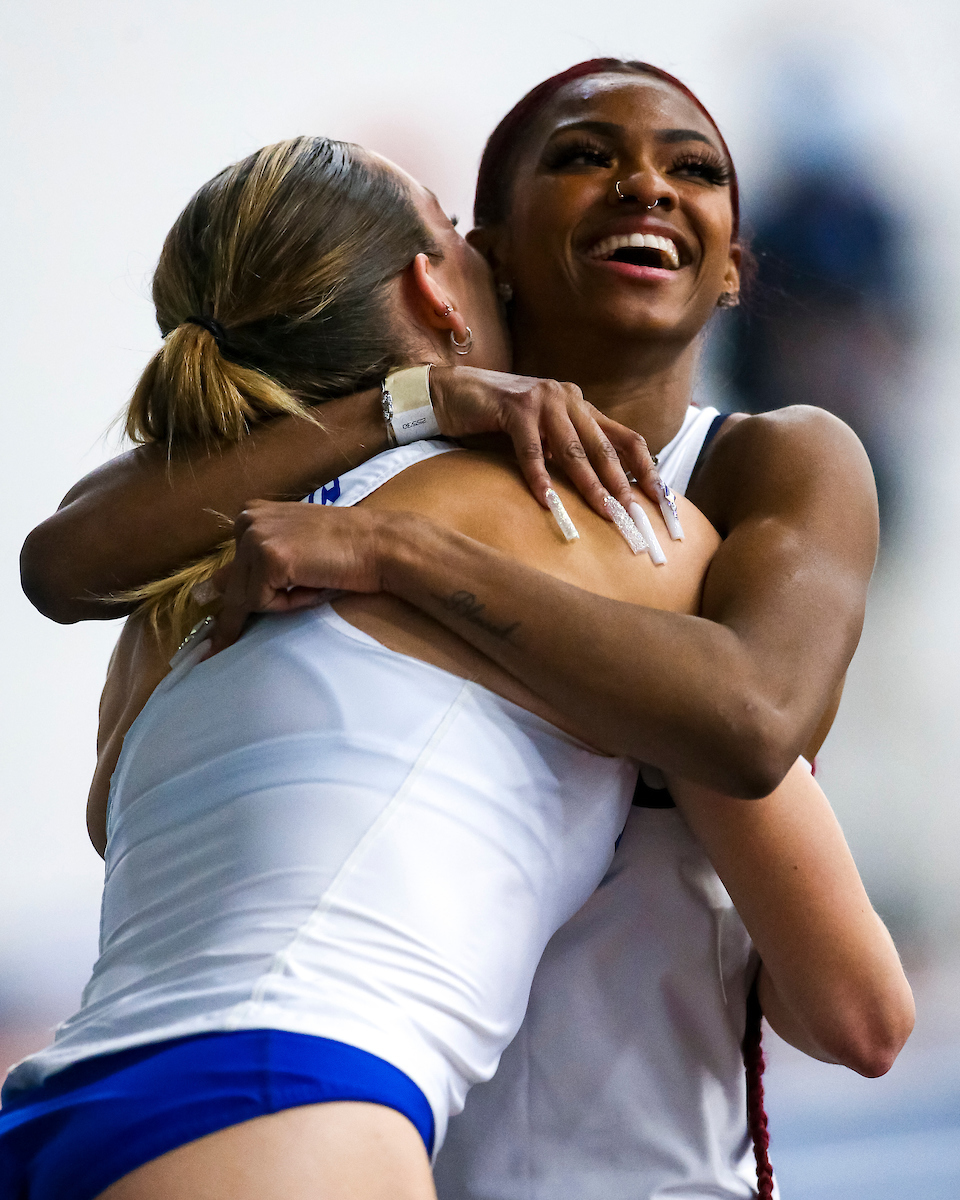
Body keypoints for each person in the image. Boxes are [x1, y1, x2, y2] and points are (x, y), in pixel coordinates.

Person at [16, 62, 914, 1199]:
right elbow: (857, 1005)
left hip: (81, 1105)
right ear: (473, 261)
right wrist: (419, 420)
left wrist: (400, 553)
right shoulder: (624, 534)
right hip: (302, 1097)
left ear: (734, 263)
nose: (646, 185)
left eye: (693, 167)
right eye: (584, 155)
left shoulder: (202, 572)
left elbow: (752, 720)